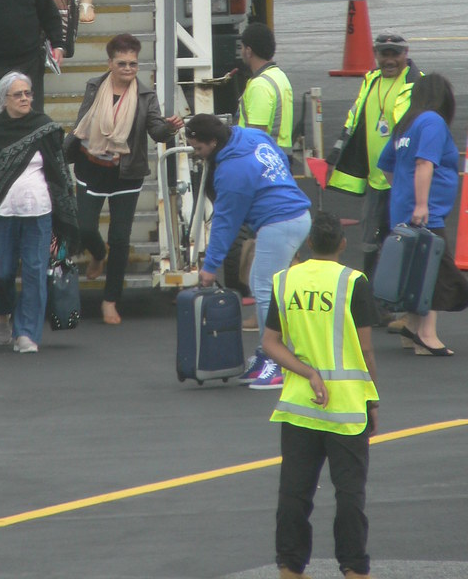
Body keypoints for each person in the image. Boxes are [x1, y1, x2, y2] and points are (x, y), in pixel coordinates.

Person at [262, 211, 379, 579]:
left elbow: (270, 343)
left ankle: (290, 567)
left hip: (298, 408)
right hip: (346, 409)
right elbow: (365, 350)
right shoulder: (352, 282)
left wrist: (308, 372)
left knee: (294, 494)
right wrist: (371, 400)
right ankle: (354, 569)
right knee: (349, 494)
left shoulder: (284, 282)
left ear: (309, 243)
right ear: (342, 245)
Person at [187, 113, 312, 390]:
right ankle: (267, 352)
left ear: (214, 141)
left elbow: (225, 223)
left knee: (265, 287)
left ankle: (277, 360)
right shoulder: (249, 135)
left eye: (199, 149)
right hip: (294, 215)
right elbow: (279, 156)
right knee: (261, 282)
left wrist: (210, 267)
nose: (197, 155)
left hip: (279, 222)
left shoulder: (232, 171)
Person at [0, 72, 79, 353]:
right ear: (4, 100)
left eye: (28, 93)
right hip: (3, 214)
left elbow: (59, 171)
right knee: (2, 270)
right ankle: (3, 312)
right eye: (18, 95)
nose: (25, 99)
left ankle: (27, 334)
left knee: (35, 271)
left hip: (39, 211)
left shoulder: (44, 128)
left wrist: (65, 208)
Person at [67, 33, 183, 323]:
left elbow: (155, 130)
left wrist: (168, 128)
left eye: (133, 64)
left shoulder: (145, 96)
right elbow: (83, 123)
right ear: (110, 63)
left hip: (125, 174)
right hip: (90, 167)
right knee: (84, 227)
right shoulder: (94, 86)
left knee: (119, 239)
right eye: (123, 63)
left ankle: (110, 300)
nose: (129, 69)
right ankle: (96, 254)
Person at [326, 29, 421, 315]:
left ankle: (402, 306)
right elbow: (355, 115)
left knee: (400, 241)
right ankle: (373, 305)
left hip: (402, 181)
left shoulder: (418, 85)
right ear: (376, 55)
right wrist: (337, 148)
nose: (389, 59)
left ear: (406, 54)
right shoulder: (370, 80)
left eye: (395, 53)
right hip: (375, 180)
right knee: (369, 242)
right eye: (384, 53)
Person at [378, 73, 468, 355]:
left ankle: (414, 328)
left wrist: (402, 194)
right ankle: (427, 335)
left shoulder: (406, 125)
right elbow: (425, 164)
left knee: (417, 272)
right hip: (426, 214)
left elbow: (386, 164)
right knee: (434, 272)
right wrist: (421, 204)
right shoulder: (432, 122)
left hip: (402, 210)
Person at [237, 22, 294, 162]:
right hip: (280, 157)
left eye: (242, 47)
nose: (241, 52)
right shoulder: (279, 76)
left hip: (264, 161)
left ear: (249, 51)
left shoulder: (260, 85)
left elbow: (256, 134)